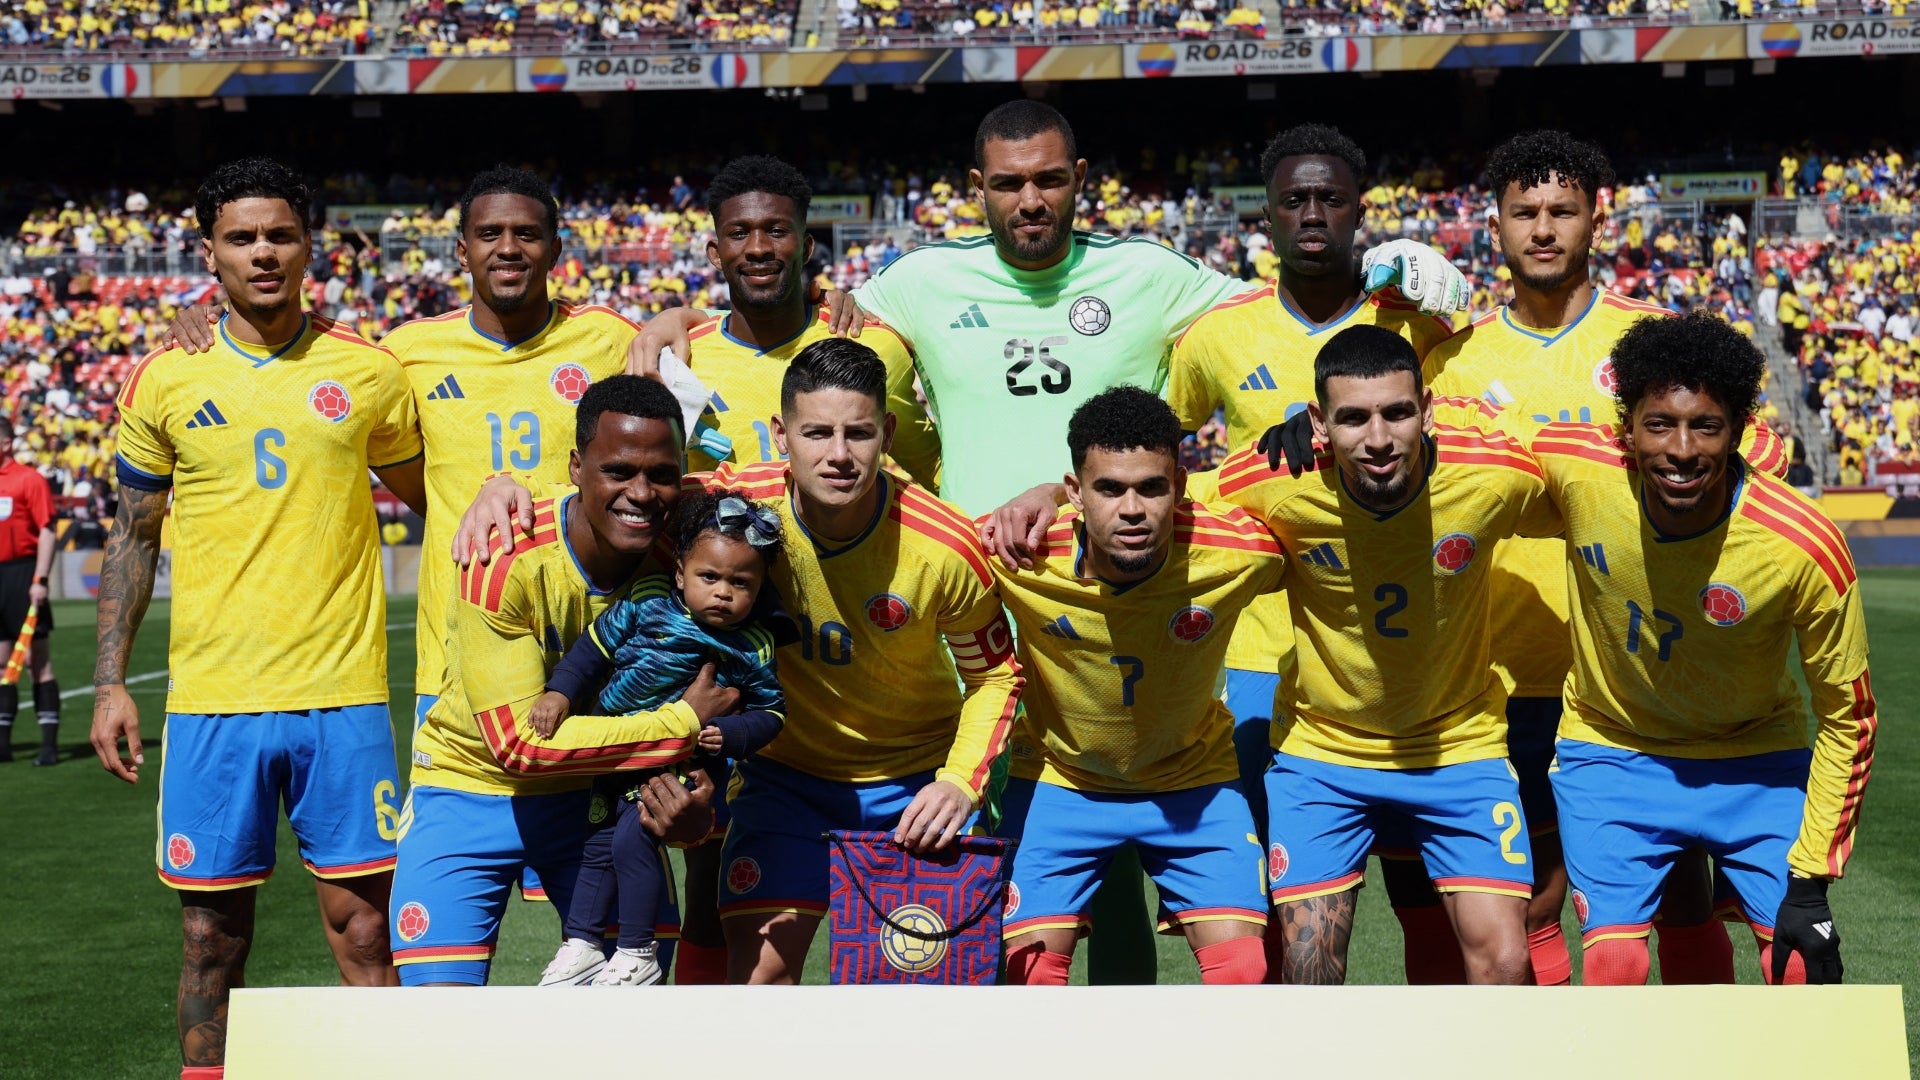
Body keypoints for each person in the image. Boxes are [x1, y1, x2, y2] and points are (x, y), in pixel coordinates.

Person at [641, 99, 1467, 985]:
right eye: (1007, 183)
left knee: (1115, 869)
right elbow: (792, 316)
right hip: (972, 610)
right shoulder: (920, 281)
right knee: (1003, 897)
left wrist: (1396, 281)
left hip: (1110, 600)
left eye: (1046, 180)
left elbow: (1288, 309)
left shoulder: (1149, 272)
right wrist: (672, 320)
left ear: (1079, 180)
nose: (1029, 199)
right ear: (977, 188)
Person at [88, 158, 430, 1079]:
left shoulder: (368, 370)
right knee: (210, 939)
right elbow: (133, 535)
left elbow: (436, 498)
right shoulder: (165, 377)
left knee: (369, 931)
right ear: (209, 253)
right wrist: (111, 683)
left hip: (343, 697)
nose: (264, 252)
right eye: (241, 238)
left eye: (281, 234)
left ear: (309, 245)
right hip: (213, 702)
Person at [1421, 130, 1732, 985]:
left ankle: (1702, 1043)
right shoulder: (1452, 359)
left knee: (1680, 892)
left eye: (1563, 210)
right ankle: (1560, 1049)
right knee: (1535, 898)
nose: (1544, 228)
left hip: (1638, 668)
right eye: (1525, 212)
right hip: (1501, 672)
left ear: (1597, 220)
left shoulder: (1654, 343)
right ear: (1495, 225)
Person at [1160, 122, 1454, 979]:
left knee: (1424, 891)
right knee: (1273, 894)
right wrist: (1244, 475)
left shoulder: (1417, 322)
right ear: (1268, 215)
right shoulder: (1218, 334)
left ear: (1360, 211)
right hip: (1260, 651)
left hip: (1398, 649)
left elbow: (1467, 429)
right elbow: (1158, 457)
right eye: (1295, 200)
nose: (1313, 213)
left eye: (1331, 198)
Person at [1528, 313, 1873, 986]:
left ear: (1739, 431)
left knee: (1802, 966)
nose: (1681, 449)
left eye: (1705, 427)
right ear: (1627, 428)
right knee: (1615, 967)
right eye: (1659, 424)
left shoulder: (1802, 544)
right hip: (1613, 749)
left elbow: (1848, 716)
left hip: (1754, 758)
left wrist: (1812, 879)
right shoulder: (1578, 468)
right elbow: (1460, 446)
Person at [1214, 325, 1556, 984]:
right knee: (1309, 967)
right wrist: (1053, 497)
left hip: (1460, 746)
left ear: (1427, 409)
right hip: (1324, 753)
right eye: (1352, 418)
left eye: (1397, 413)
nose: (1377, 438)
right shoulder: (1268, 480)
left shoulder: (1494, 474)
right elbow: (1145, 495)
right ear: (1317, 422)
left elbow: (1599, 481)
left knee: (1507, 961)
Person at [392, 375, 739, 987]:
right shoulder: (504, 553)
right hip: (468, 783)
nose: (641, 493)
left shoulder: (693, 545)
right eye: (618, 471)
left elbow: (798, 477)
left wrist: (701, 803)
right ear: (576, 467)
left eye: (661, 474)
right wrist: (681, 725)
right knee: (439, 1012)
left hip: (600, 794)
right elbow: (520, 746)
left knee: (630, 996)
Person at [992, 387, 1280, 986]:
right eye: (1108, 488)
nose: (1131, 509)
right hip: (1060, 782)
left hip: (1193, 783)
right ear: (1074, 491)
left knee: (1244, 973)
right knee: (1028, 978)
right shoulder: (1016, 553)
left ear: (1179, 484)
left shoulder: (1240, 553)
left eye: (1151, 488)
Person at [531, 489, 789, 988]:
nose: (723, 592)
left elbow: (773, 712)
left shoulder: (751, 644)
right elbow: (593, 648)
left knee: (634, 839)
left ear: (759, 590)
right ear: (679, 574)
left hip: (681, 764)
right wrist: (560, 692)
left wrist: (730, 733)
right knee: (598, 845)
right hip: (617, 752)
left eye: (741, 583)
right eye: (709, 577)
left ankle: (637, 951)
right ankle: (582, 944)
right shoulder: (646, 601)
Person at [0, 415, 59, 765]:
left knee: (38, 662)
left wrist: (40, 579)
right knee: (2, 663)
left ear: (6, 443)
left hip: (24, 574)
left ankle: (49, 746)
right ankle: (3, 745)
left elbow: (48, 530)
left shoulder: (29, 479)